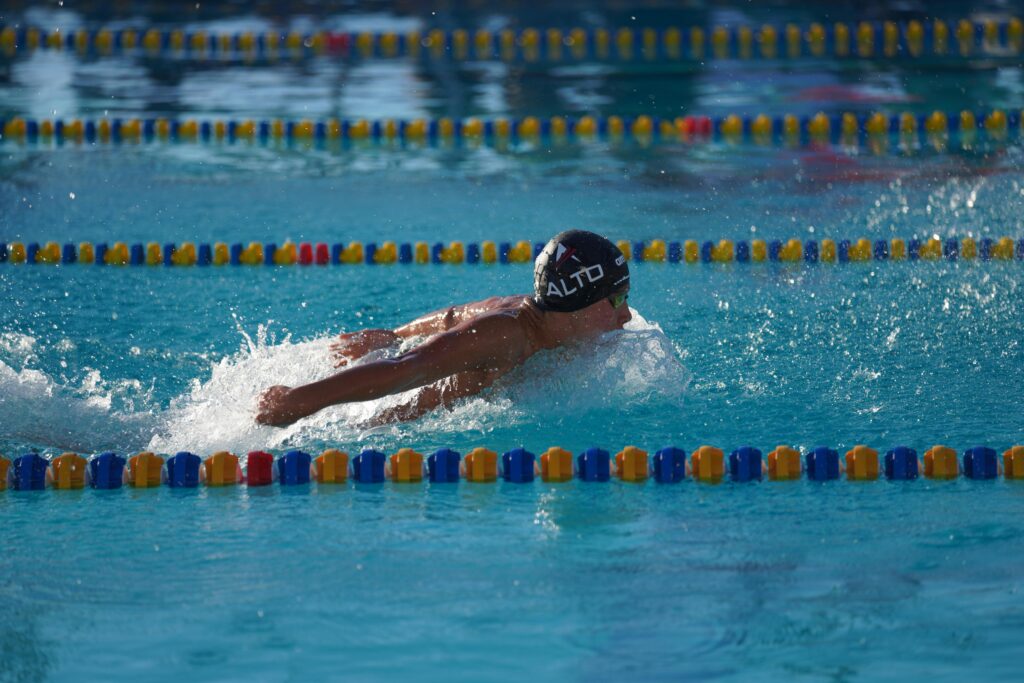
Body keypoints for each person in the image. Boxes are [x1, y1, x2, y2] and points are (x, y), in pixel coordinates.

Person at [255, 230, 632, 426]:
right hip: (383, 424)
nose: (626, 316)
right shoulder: (506, 335)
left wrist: (395, 333)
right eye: (616, 301)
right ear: (576, 302)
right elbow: (405, 371)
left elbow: (453, 315)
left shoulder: (541, 315)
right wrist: (297, 402)